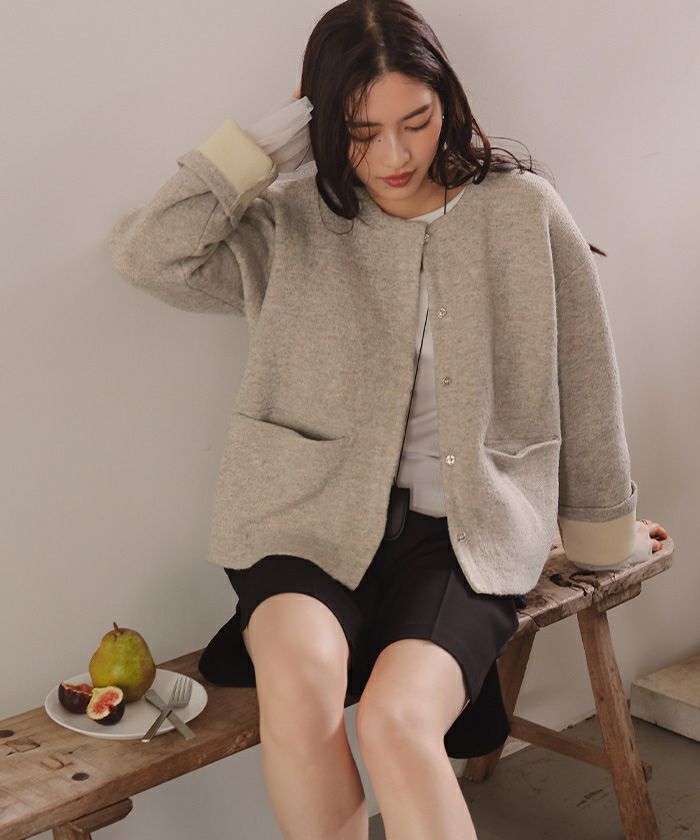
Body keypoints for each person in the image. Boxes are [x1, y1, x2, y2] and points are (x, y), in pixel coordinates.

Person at [108, 1, 668, 837]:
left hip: (460, 539)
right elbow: (150, 256)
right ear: (323, 124)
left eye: (417, 121)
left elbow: (586, 376)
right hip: (303, 526)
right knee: (301, 696)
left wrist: (602, 530)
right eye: (360, 132)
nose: (395, 156)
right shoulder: (293, 222)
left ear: (449, 102)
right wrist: (259, 149)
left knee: (396, 724)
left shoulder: (521, 212)